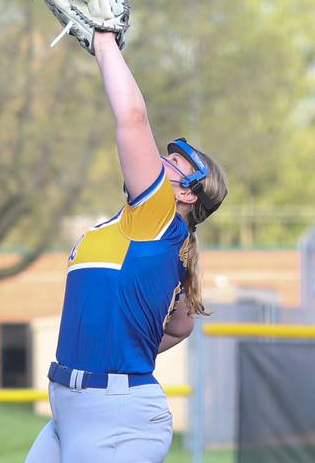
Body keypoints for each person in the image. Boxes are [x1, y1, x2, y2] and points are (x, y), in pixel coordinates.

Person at [25, 31, 228, 463]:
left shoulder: (159, 217)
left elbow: (132, 117)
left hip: (116, 417)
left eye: (173, 163)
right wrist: (129, 346)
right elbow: (180, 327)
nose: (160, 161)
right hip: (71, 406)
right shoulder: (133, 229)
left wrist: (104, 42)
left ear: (187, 194)